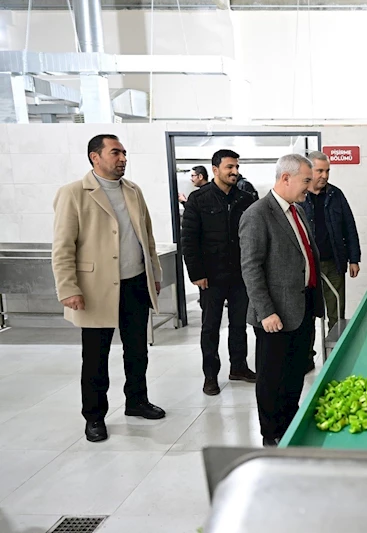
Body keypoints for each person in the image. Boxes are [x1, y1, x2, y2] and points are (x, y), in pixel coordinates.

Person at [52, 134, 166, 443]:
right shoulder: (74, 193)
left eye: (125, 153)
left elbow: (148, 239)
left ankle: (137, 401)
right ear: (95, 157)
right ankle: (94, 417)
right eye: (115, 152)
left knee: (137, 350)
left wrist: (154, 273)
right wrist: (68, 288)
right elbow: (62, 247)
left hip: (134, 285)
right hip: (94, 289)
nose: (123, 158)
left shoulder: (133, 191)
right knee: (95, 357)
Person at [239, 154, 324, 446]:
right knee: (272, 377)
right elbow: (251, 267)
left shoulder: (297, 211)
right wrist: (266, 312)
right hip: (275, 315)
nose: (309, 187)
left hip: (302, 307)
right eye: (305, 181)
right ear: (285, 178)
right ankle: (270, 432)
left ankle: (289, 418)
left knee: (296, 370)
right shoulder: (257, 213)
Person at [181, 149, 257, 396]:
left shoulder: (245, 199)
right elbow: (189, 240)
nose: (235, 171)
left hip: (239, 275)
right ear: (215, 170)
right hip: (210, 277)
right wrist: (196, 273)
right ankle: (210, 376)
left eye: (236, 167)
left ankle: (239, 367)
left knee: (239, 325)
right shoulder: (198, 199)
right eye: (229, 167)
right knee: (210, 326)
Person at [299, 151, 361, 371]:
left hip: (333, 263)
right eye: (320, 171)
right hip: (306, 268)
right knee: (307, 313)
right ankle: (307, 357)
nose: (324, 175)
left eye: (327, 171)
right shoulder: (299, 195)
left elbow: (349, 227)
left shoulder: (336, 195)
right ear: (309, 171)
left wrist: (354, 258)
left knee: (336, 312)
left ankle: (336, 355)